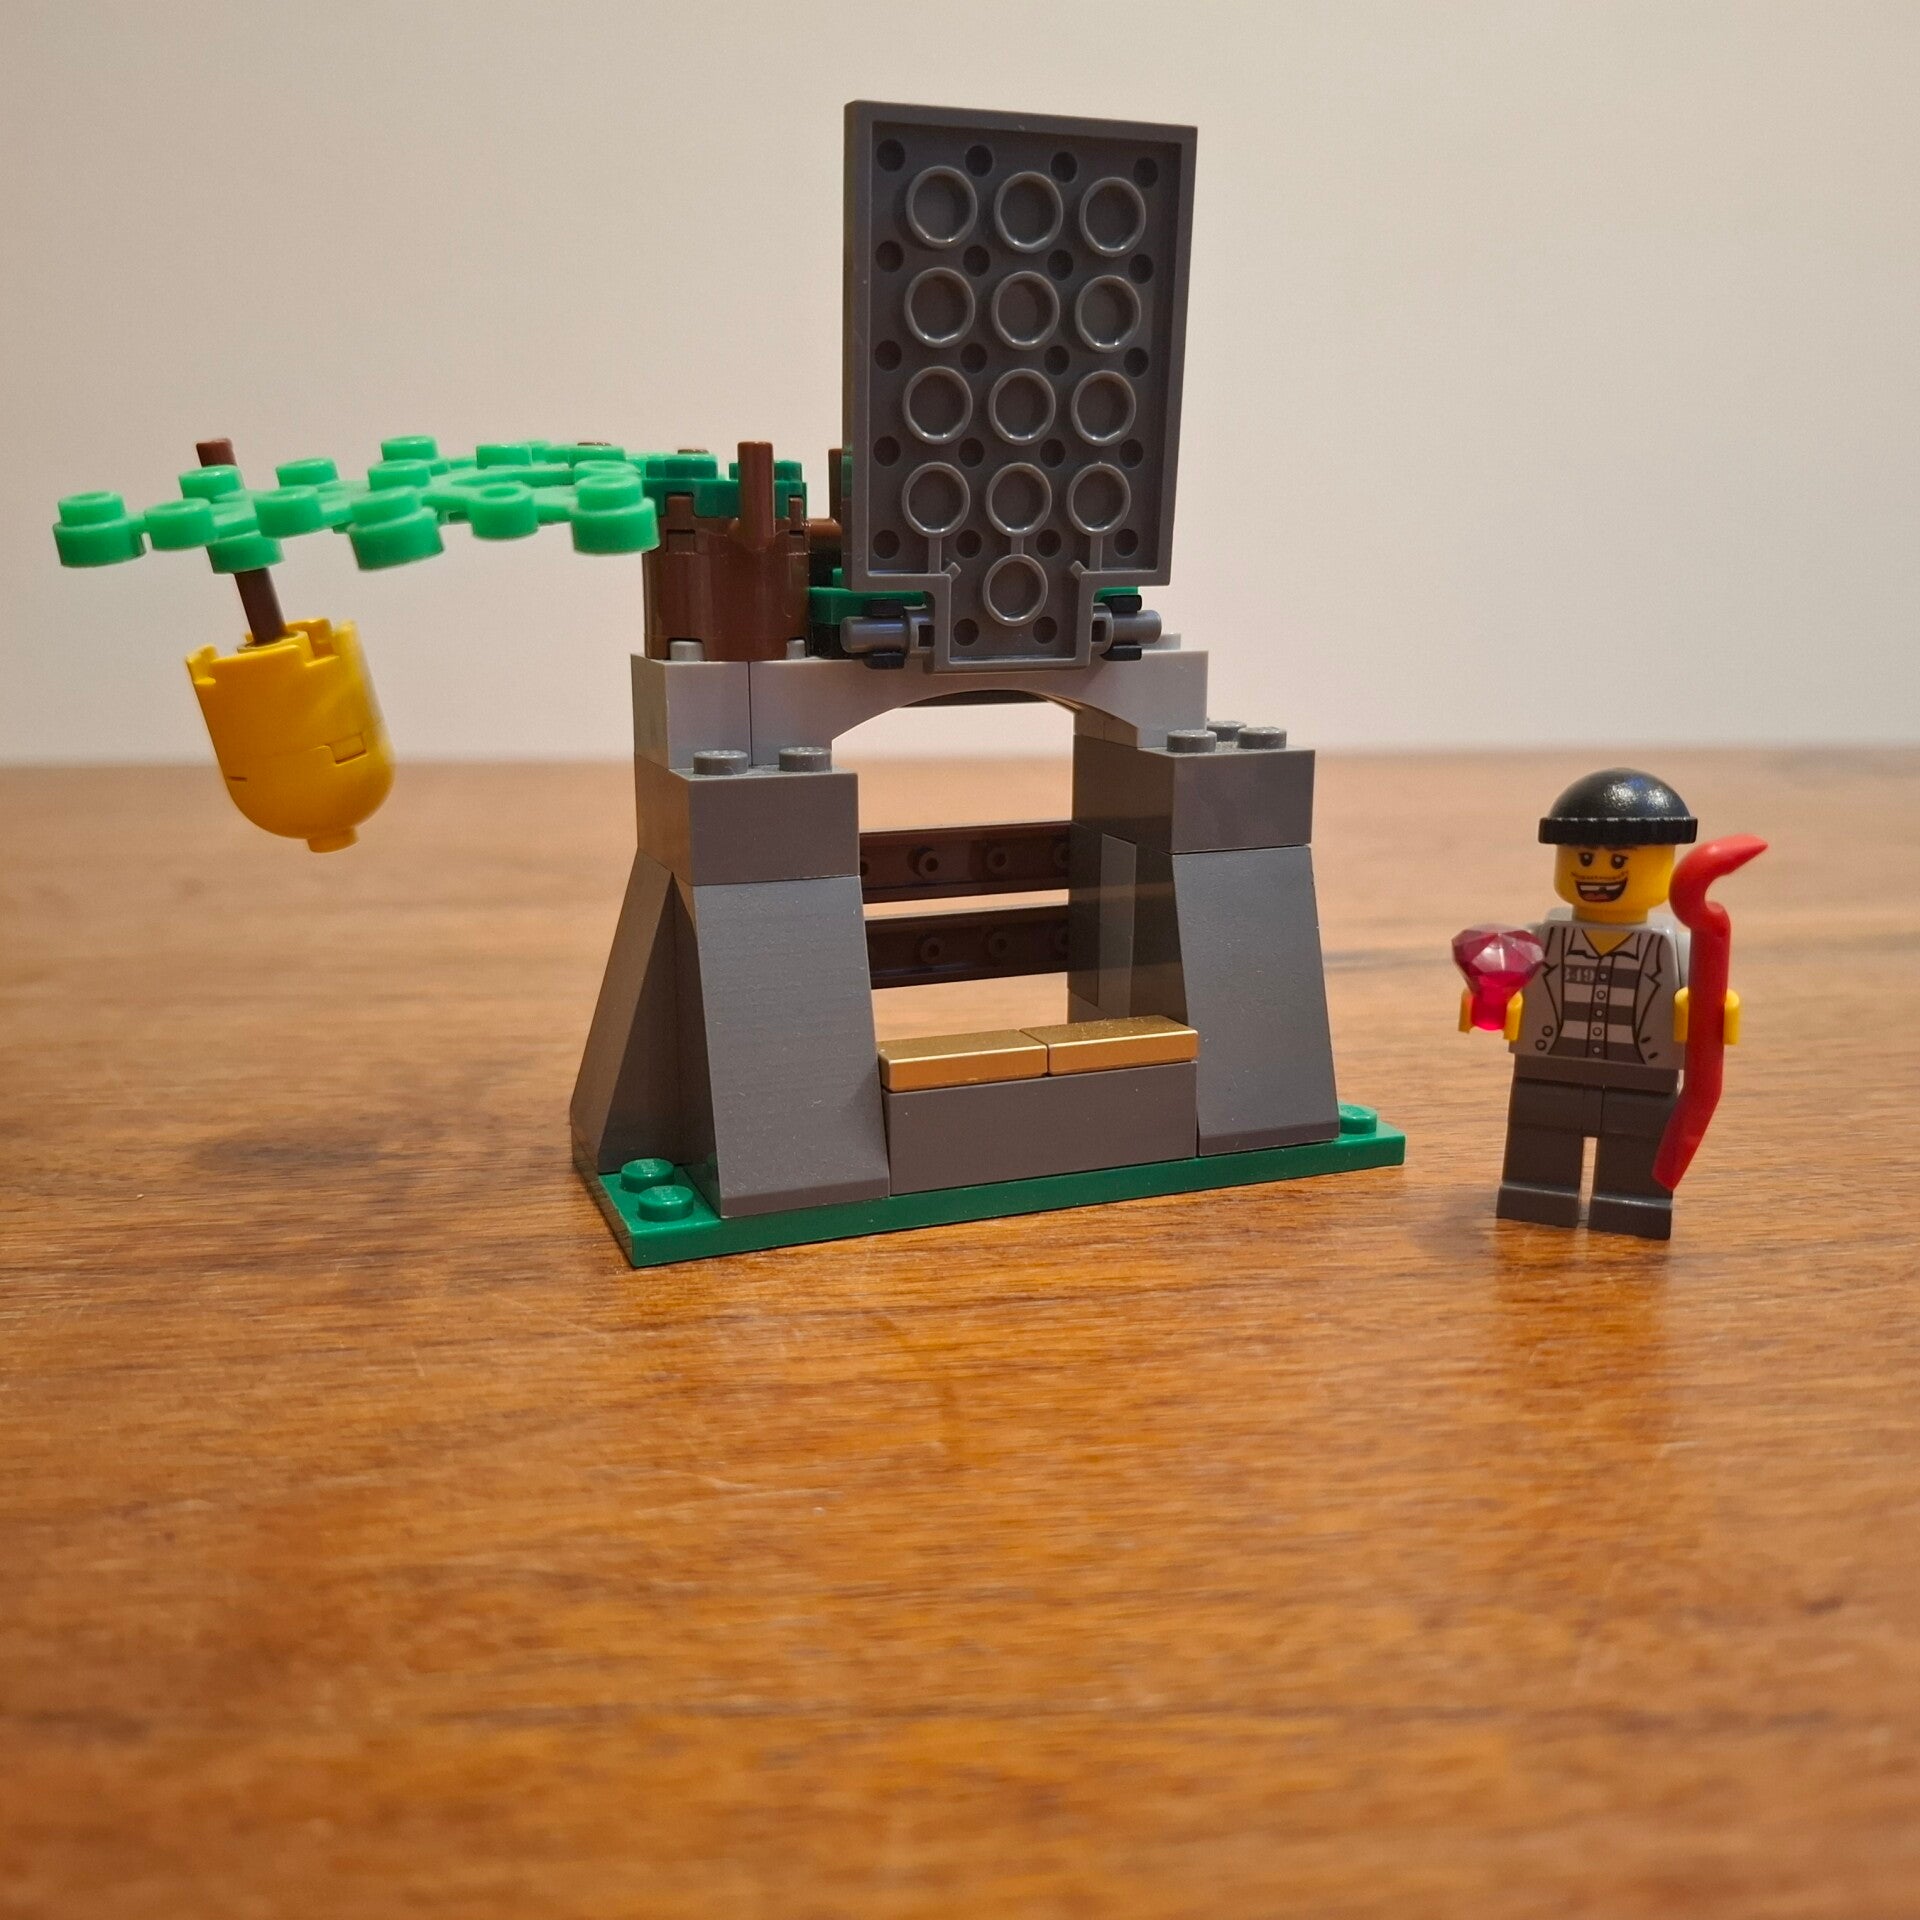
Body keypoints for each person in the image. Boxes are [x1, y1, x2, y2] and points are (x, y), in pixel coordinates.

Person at [1464, 769, 1739, 1240]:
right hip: (1548, 1068)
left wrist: (1714, 1013)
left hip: (1644, 1077)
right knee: (1541, 1138)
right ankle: (1537, 1195)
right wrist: (1488, 1000)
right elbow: (1498, 985)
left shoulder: (1674, 948)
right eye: (1585, 857)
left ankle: (1632, 1205)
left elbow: (1708, 1001)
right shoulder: (1540, 940)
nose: (1597, 872)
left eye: (1619, 860)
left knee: (1636, 1147)